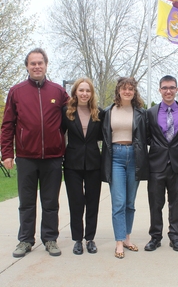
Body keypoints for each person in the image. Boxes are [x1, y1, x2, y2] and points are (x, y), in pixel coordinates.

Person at [0, 48, 69, 257]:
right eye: (33, 63)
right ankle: (25, 240)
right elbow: (7, 125)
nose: (37, 66)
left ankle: (50, 239)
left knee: (50, 202)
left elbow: (71, 119)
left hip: (53, 157)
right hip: (26, 157)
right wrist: (7, 154)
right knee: (26, 202)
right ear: (27, 67)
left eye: (40, 63)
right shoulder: (16, 91)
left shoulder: (58, 92)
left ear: (46, 65)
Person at [101, 77, 149, 259]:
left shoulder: (140, 113)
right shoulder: (108, 111)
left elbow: (147, 137)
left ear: (134, 91)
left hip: (134, 157)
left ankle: (128, 238)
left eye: (131, 89)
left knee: (130, 202)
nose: (127, 91)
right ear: (118, 91)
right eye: (124, 88)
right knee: (118, 201)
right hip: (116, 157)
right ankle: (119, 241)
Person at [145, 75, 178, 252]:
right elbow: (147, 135)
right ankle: (155, 237)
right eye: (165, 88)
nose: (168, 91)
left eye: (172, 87)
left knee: (175, 202)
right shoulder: (151, 112)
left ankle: (175, 237)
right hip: (157, 164)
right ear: (160, 90)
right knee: (155, 203)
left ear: (177, 89)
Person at [62, 78, 104, 255]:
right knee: (76, 203)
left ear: (91, 93)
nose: (84, 93)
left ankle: (90, 239)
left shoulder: (99, 113)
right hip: (72, 163)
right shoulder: (67, 112)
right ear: (75, 92)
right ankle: (77, 240)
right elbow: (58, 134)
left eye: (88, 90)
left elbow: (105, 137)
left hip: (94, 163)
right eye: (81, 90)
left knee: (92, 202)